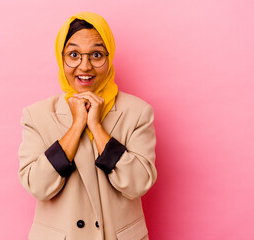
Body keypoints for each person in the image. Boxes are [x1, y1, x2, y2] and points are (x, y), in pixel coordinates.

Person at [18, 11, 157, 240]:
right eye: (74, 54)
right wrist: (76, 126)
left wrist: (96, 127)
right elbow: (38, 186)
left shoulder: (137, 112)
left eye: (96, 55)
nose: (85, 66)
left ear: (109, 57)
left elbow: (138, 183)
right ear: (61, 58)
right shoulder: (36, 115)